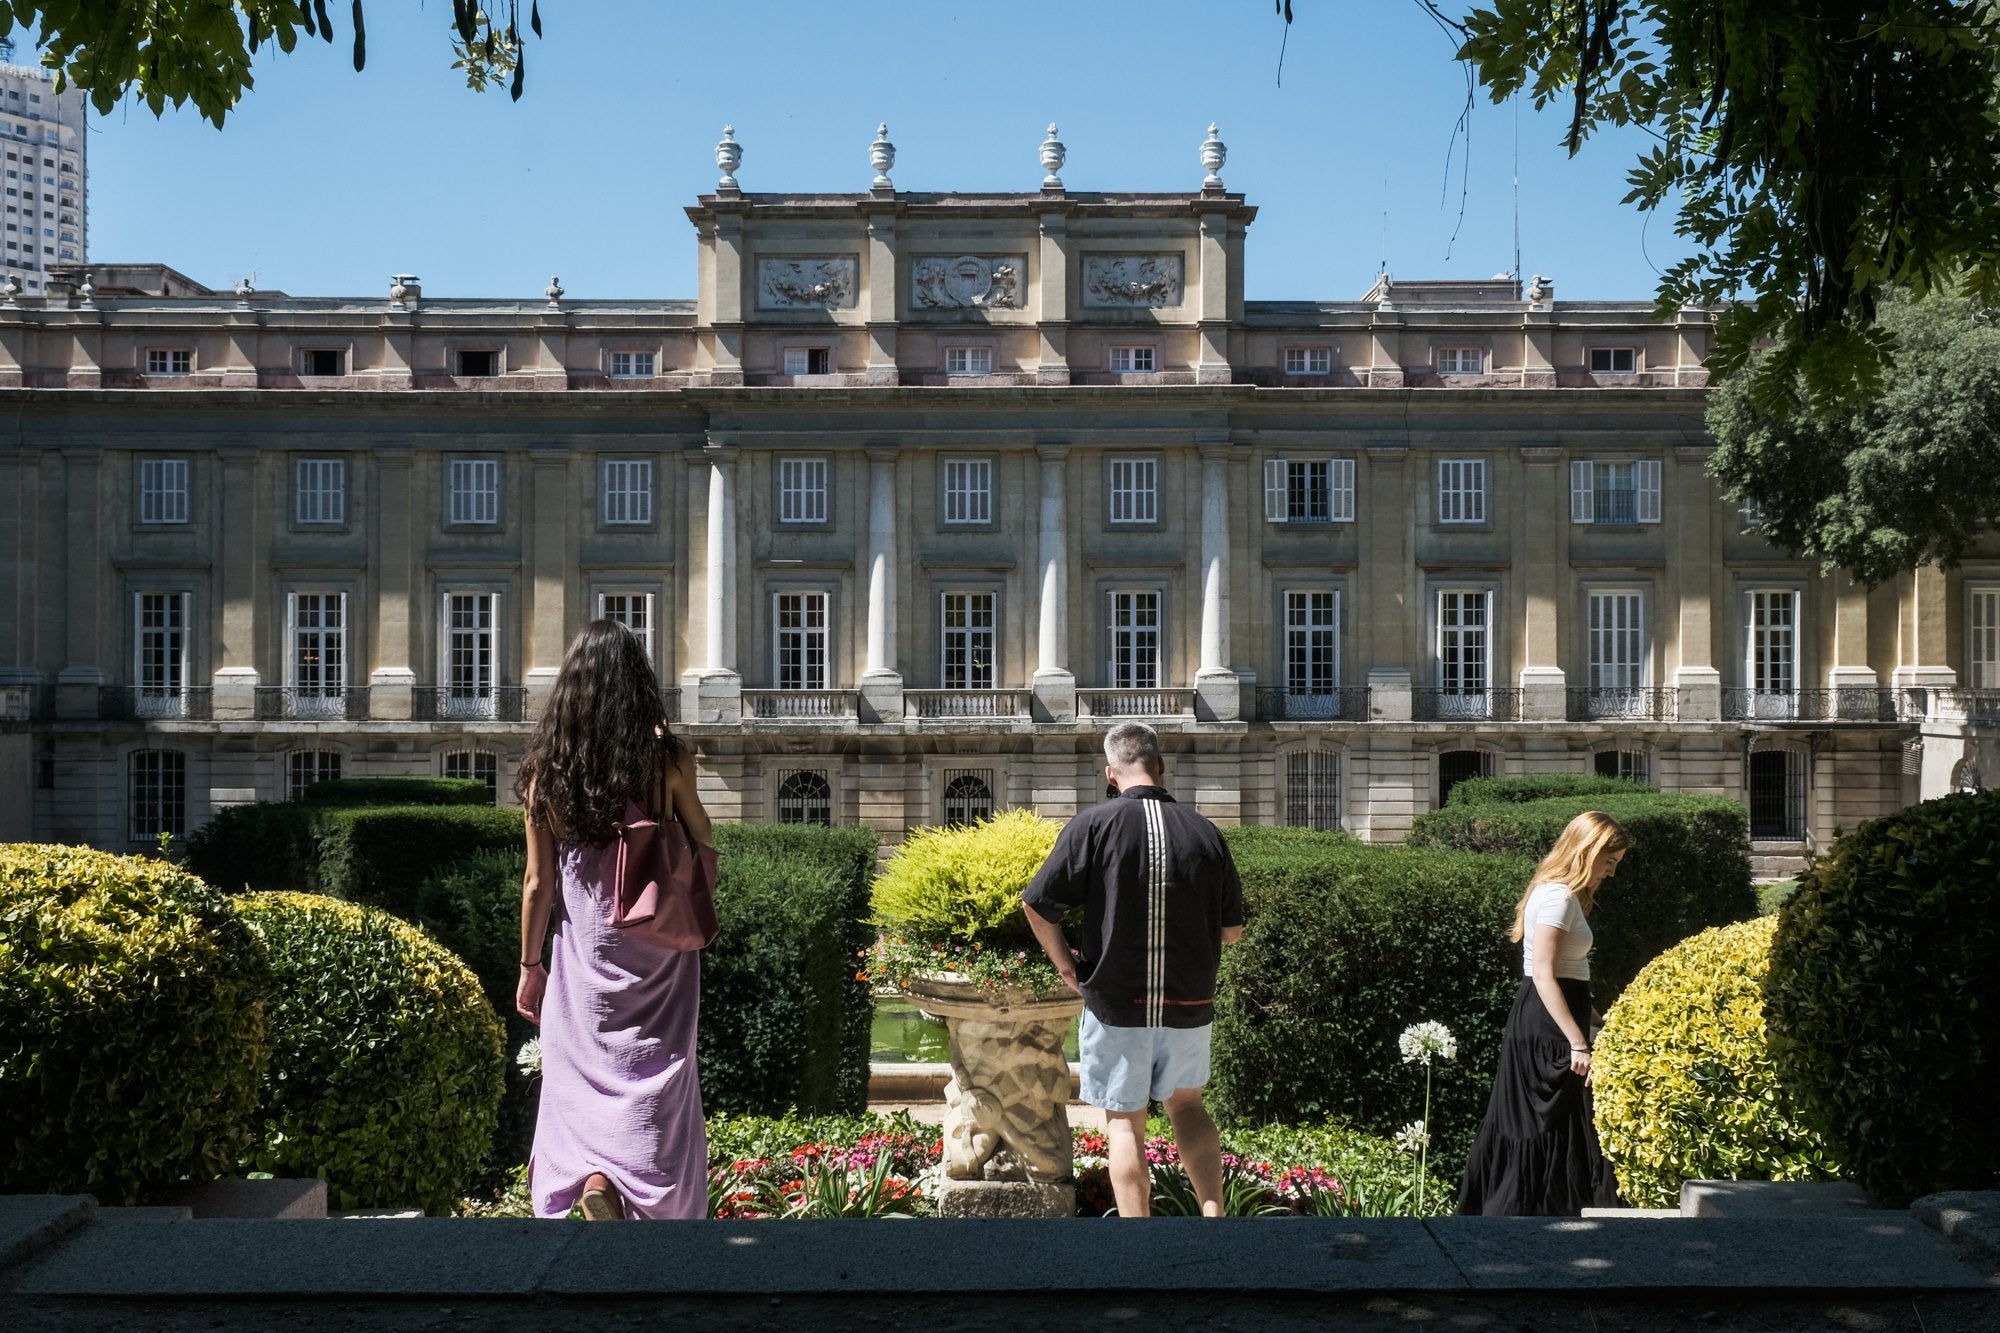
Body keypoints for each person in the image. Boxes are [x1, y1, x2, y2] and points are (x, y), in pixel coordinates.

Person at [513, 619, 714, 1221]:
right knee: (658, 1068)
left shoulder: (546, 769)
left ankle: (595, 1174)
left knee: (583, 1070)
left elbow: (537, 883)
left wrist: (530, 966)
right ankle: (653, 1195)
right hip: (659, 942)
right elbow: (703, 840)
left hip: (586, 946)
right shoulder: (668, 759)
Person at [1020, 722, 1245, 1218]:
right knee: (1188, 1107)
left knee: (1124, 1122)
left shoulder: (1093, 825)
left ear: (1110, 773)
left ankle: (1138, 1244)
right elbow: (1232, 932)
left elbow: (1037, 905)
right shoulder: (1206, 832)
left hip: (1116, 1001)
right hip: (1188, 999)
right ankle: (1215, 1219)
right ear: (1160, 766)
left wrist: (1065, 968)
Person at [1458, 809, 1630, 1216]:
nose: (1611, 872)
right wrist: (1578, 1043)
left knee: (1553, 1125)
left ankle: (1544, 1217)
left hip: (1550, 1017)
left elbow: (1568, 978)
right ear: (1589, 850)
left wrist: (1596, 1022)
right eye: (1610, 861)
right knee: (1546, 1124)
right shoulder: (1557, 897)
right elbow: (1543, 975)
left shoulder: (1559, 895)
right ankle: (1527, 1218)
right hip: (1547, 1026)